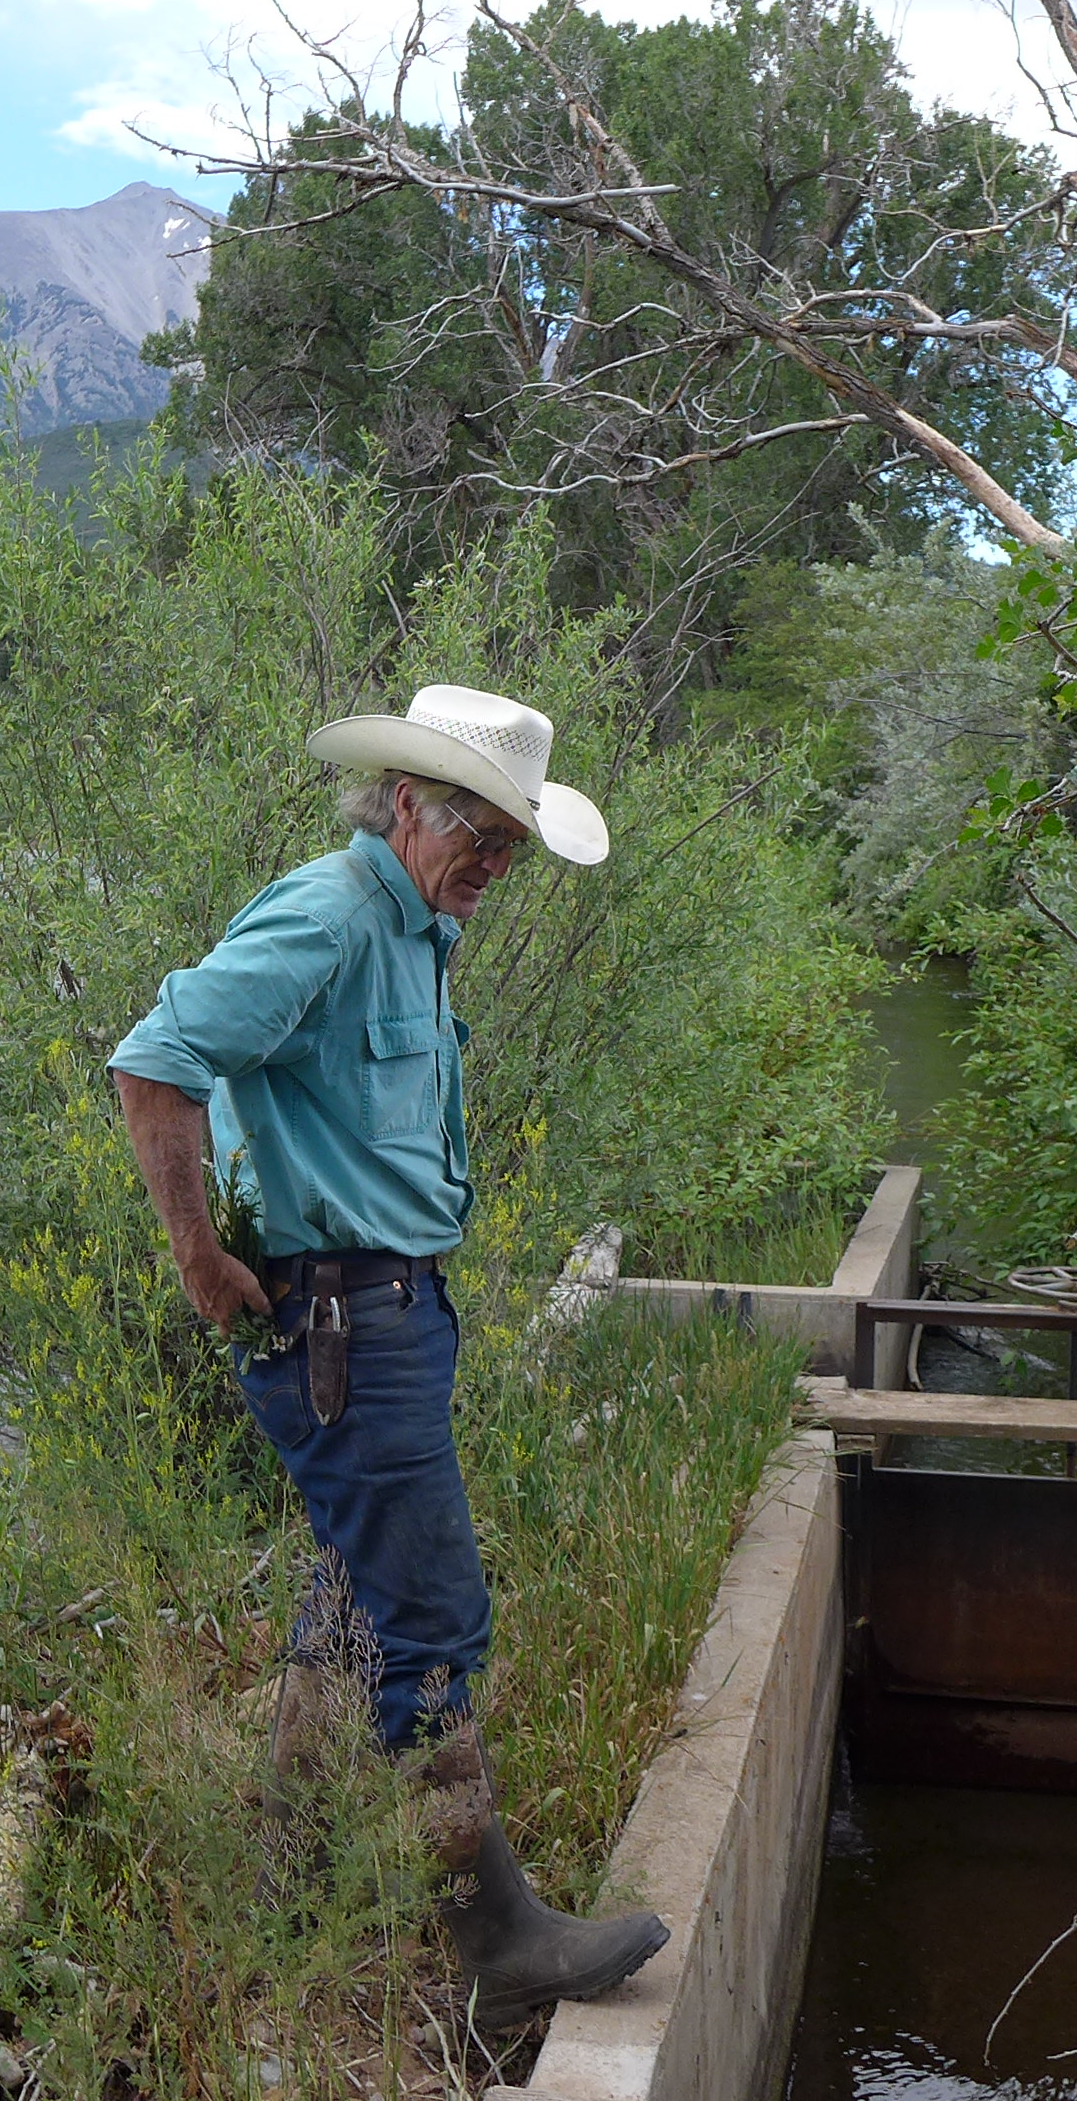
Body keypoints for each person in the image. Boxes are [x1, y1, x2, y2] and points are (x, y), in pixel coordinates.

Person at [107, 682, 667, 2028]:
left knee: (355, 1601)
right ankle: (499, 1949)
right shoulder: (335, 912)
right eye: (477, 833)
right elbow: (155, 1060)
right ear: (406, 802)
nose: (492, 863)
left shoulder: (416, 924)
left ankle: (287, 1879)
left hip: (391, 1314)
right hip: (338, 1322)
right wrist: (198, 1253)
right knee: (429, 1622)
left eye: (511, 845)